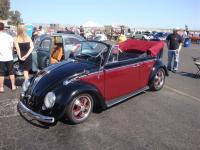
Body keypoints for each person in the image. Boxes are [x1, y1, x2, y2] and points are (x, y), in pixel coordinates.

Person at [0, 22, 17, 92]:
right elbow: (12, 47)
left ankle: (1, 88)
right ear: (3, 28)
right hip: (9, 57)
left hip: (1, 58)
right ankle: (13, 86)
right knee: (11, 72)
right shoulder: (9, 37)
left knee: (1, 73)